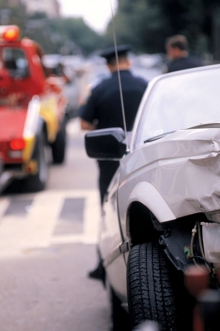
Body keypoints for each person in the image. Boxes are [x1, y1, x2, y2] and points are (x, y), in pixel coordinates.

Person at [79, 45, 148, 279]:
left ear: (108, 66)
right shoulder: (145, 86)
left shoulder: (99, 90)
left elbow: (84, 124)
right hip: (143, 158)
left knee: (109, 214)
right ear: (128, 62)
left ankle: (105, 267)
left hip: (110, 161)